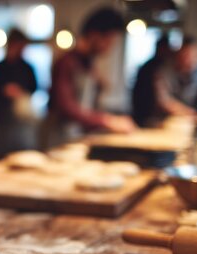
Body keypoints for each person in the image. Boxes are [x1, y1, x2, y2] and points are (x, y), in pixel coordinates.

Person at [42, 7, 136, 149]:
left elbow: (87, 105)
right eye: (110, 39)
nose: (111, 46)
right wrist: (107, 121)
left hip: (77, 137)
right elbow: (66, 106)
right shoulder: (67, 62)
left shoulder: (87, 64)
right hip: (60, 139)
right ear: (94, 35)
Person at [0, 28, 38, 160]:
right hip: (3, 120)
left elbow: (34, 88)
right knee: (0, 157)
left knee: (24, 156)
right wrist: (4, 91)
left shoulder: (27, 68)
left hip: (22, 119)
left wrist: (20, 92)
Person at [156, 35, 197, 127]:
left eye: (195, 56)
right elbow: (163, 100)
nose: (190, 60)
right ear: (179, 54)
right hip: (168, 122)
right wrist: (187, 113)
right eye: (186, 56)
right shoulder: (165, 70)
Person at [131, 34, 173, 127]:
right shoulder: (154, 66)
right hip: (147, 115)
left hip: (146, 114)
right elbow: (159, 98)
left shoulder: (154, 65)